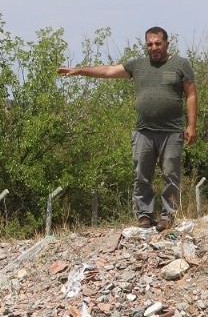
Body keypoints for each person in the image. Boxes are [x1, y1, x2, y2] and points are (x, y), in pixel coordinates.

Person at [57, 27, 197, 231]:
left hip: (172, 131)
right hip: (143, 131)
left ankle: (168, 216)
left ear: (166, 43)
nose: (154, 48)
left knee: (171, 175)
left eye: (158, 43)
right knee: (141, 176)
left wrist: (192, 125)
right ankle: (144, 216)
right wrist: (79, 70)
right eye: (150, 44)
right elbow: (108, 71)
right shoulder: (137, 65)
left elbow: (191, 95)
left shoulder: (181, 64)